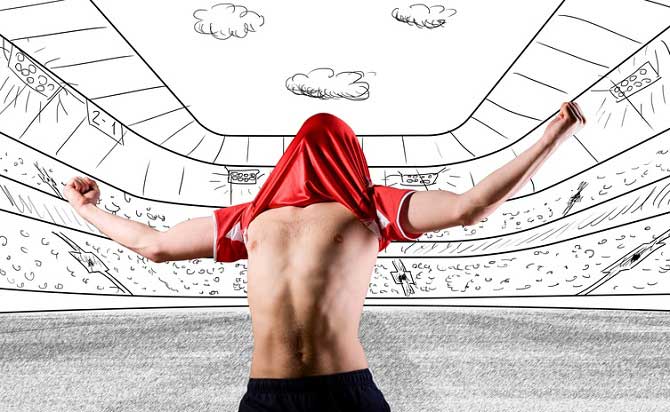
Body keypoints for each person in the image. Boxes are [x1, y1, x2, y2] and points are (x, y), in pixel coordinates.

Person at [64, 102, 586, 411]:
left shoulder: (370, 207)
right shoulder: (251, 219)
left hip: (342, 395)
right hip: (268, 395)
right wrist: (86, 210)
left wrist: (555, 135)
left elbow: (471, 207)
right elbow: (154, 245)